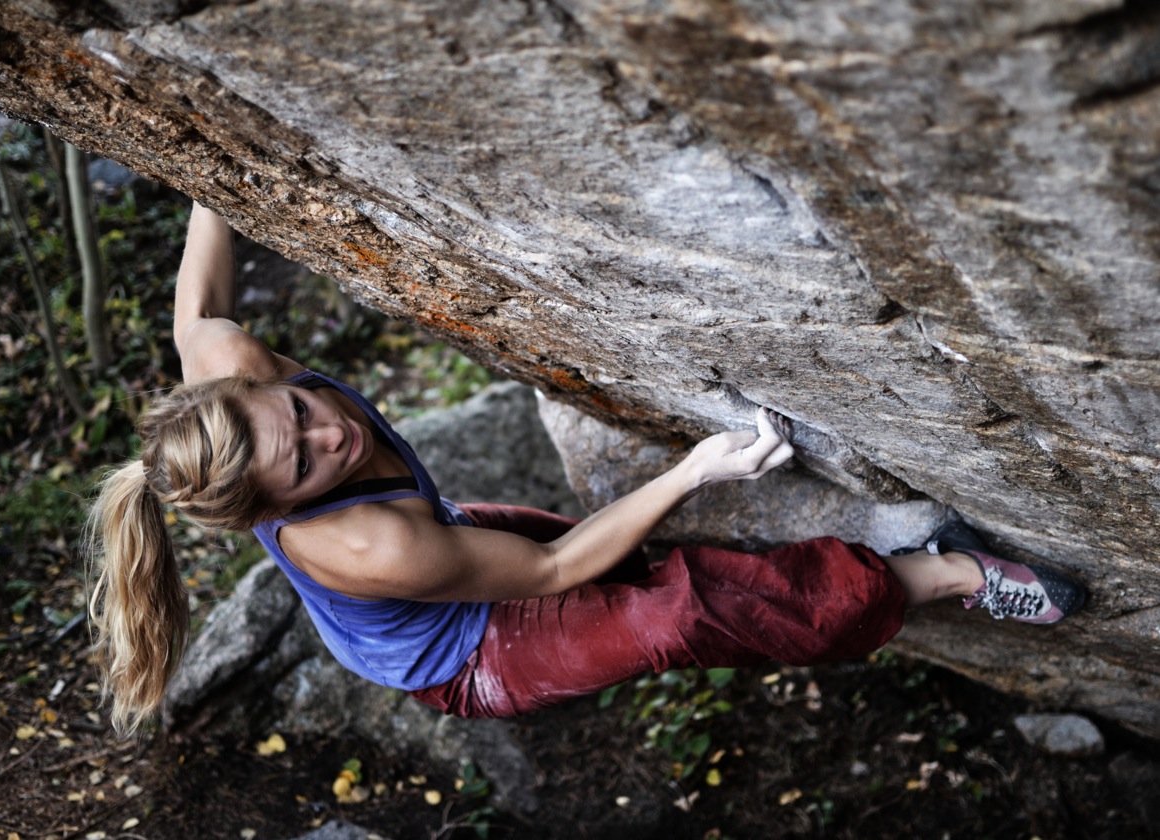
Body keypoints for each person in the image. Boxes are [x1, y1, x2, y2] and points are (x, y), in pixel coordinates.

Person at [86, 203, 1086, 736]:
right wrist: (694, 469)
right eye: (303, 463)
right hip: (470, 655)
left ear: (249, 386)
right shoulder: (363, 538)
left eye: (302, 412)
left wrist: (208, 181)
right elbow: (550, 578)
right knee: (677, 613)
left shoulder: (227, 371)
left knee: (640, 567)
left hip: (454, 546)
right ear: (275, 510)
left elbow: (194, 309)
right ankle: (945, 574)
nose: (331, 437)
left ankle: (885, 574)